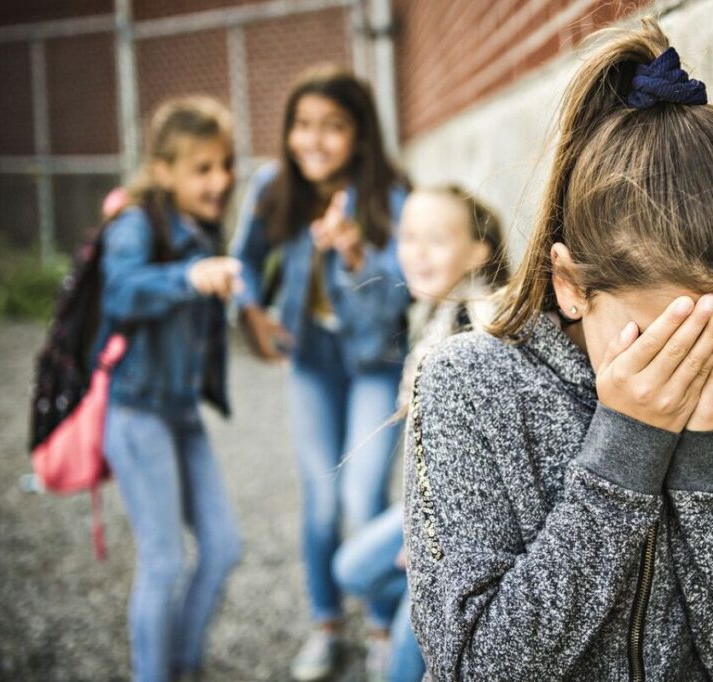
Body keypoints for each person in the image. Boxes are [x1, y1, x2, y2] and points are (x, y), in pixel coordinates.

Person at [404, 18, 713, 681]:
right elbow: (472, 668)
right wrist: (625, 453)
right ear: (571, 285)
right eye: (662, 339)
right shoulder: (467, 386)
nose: (691, 369)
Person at [229, 64, 410, 681]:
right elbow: (243, 262)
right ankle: (326, 623)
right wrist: (249, 311)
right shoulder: (272, 186)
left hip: (374, 363)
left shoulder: (391, 197)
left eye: (332, 127)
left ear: (360, 135)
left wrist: (355, 253)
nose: (313, 140)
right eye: (303, 125)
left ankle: (384, 621)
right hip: (311, 362)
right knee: (322, 501)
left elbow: (397, 303)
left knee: (363, 497)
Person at [333, 185, 509, 682]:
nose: (418, 252)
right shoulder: (436, 313)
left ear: (478, 252)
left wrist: (431, 535)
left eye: (437, 238)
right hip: (428, 507)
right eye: (408, 237)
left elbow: (490, 453)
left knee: (406, 664)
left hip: (463, 522)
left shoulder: (483, 325)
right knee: (351, 569)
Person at [98, 96, 243, 682]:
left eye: (225, 164)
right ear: (163, 170)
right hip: (136, 414)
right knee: (162, 560)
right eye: (202, 168)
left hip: (181, 414)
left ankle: (181, 663)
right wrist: (189, 276)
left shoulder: (205, 230)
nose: (220, 179)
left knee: (224, 547)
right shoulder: (136, 224)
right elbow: (121, 292)